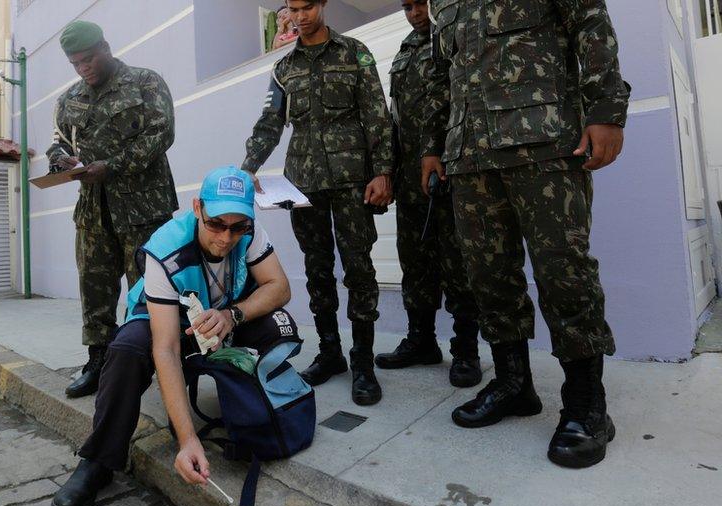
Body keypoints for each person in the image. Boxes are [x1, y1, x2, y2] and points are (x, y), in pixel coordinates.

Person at [425, 0, 631, 468]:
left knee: (563, 271)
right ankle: (513, 384)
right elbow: (445, 79)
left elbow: (590, 22)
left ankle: (586, 404)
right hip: (469, 155)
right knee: (488, 277)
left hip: (543, 142)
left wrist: (606, 108)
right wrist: (433, 148)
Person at [50, 166, 296, 506]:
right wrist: (188, 440)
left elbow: (280, 287)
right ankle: (99, 460)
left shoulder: (249, 231)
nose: (226, 237)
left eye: (237, 226)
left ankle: (251, 406)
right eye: (216, 224)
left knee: (277, 324)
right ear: (197, 208)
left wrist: (232, 315)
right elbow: (165, 348)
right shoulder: (164, 247)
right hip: (168, 320)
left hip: (222, 316)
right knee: (126, 349)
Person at [242, 0, 393, 406]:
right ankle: (330, 354)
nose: (301, 15)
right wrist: (248, 167)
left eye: (308, 6)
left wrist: (383, 171)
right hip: (303, 186)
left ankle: (363, 362)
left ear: (322, 5)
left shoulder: (353, 52)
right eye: (293, 9)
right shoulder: (284, 69)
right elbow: (270, 123)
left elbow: (377, 115)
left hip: (350, 182)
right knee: (317, 269)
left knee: (359, 269)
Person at [48, 21, 179, 399]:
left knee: (149, 289)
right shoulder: (69, 98)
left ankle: (154, 360)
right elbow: (57, 141)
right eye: (75, 64)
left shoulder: (145, 82)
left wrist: (113, 165)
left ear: (105, 47)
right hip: (93, 211)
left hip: (143, 208)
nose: (83, 69)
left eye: (88, 59)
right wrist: (60, 160)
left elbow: (161, 132)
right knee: (95, 289)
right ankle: (98, 361)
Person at [373, 0, 482, 388]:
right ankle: (421, 341)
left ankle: (466, 350)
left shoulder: (451, 36)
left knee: (457, 262)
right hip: (409, 178)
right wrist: (385, 169)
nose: (415, 12)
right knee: (415, 261)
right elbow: (394, 116)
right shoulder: (404, 50)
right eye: (406, 6)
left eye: (420, 3)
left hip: (449, 169)